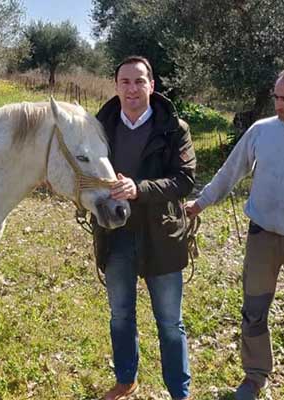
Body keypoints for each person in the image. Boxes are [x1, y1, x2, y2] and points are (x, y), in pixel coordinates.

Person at [185, 66, 284, 400]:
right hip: (262, 238)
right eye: (276, 97)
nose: (278, 105)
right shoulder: (261, 131)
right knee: (253, 312)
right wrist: (200, 203)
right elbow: (230, 172)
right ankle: (254, 377)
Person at [93, 56, 196, 400]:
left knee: (169, 322)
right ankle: (126, 380)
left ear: (152, 85)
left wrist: (139, 189)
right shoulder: (100, 128)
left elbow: (185, 180)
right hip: (115, 235)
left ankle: (179, 392)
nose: (132, 89)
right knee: (121, 315)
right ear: (116, 86)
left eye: (139, 81)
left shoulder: (175, 129)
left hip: (161, 235)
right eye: (125, 81)